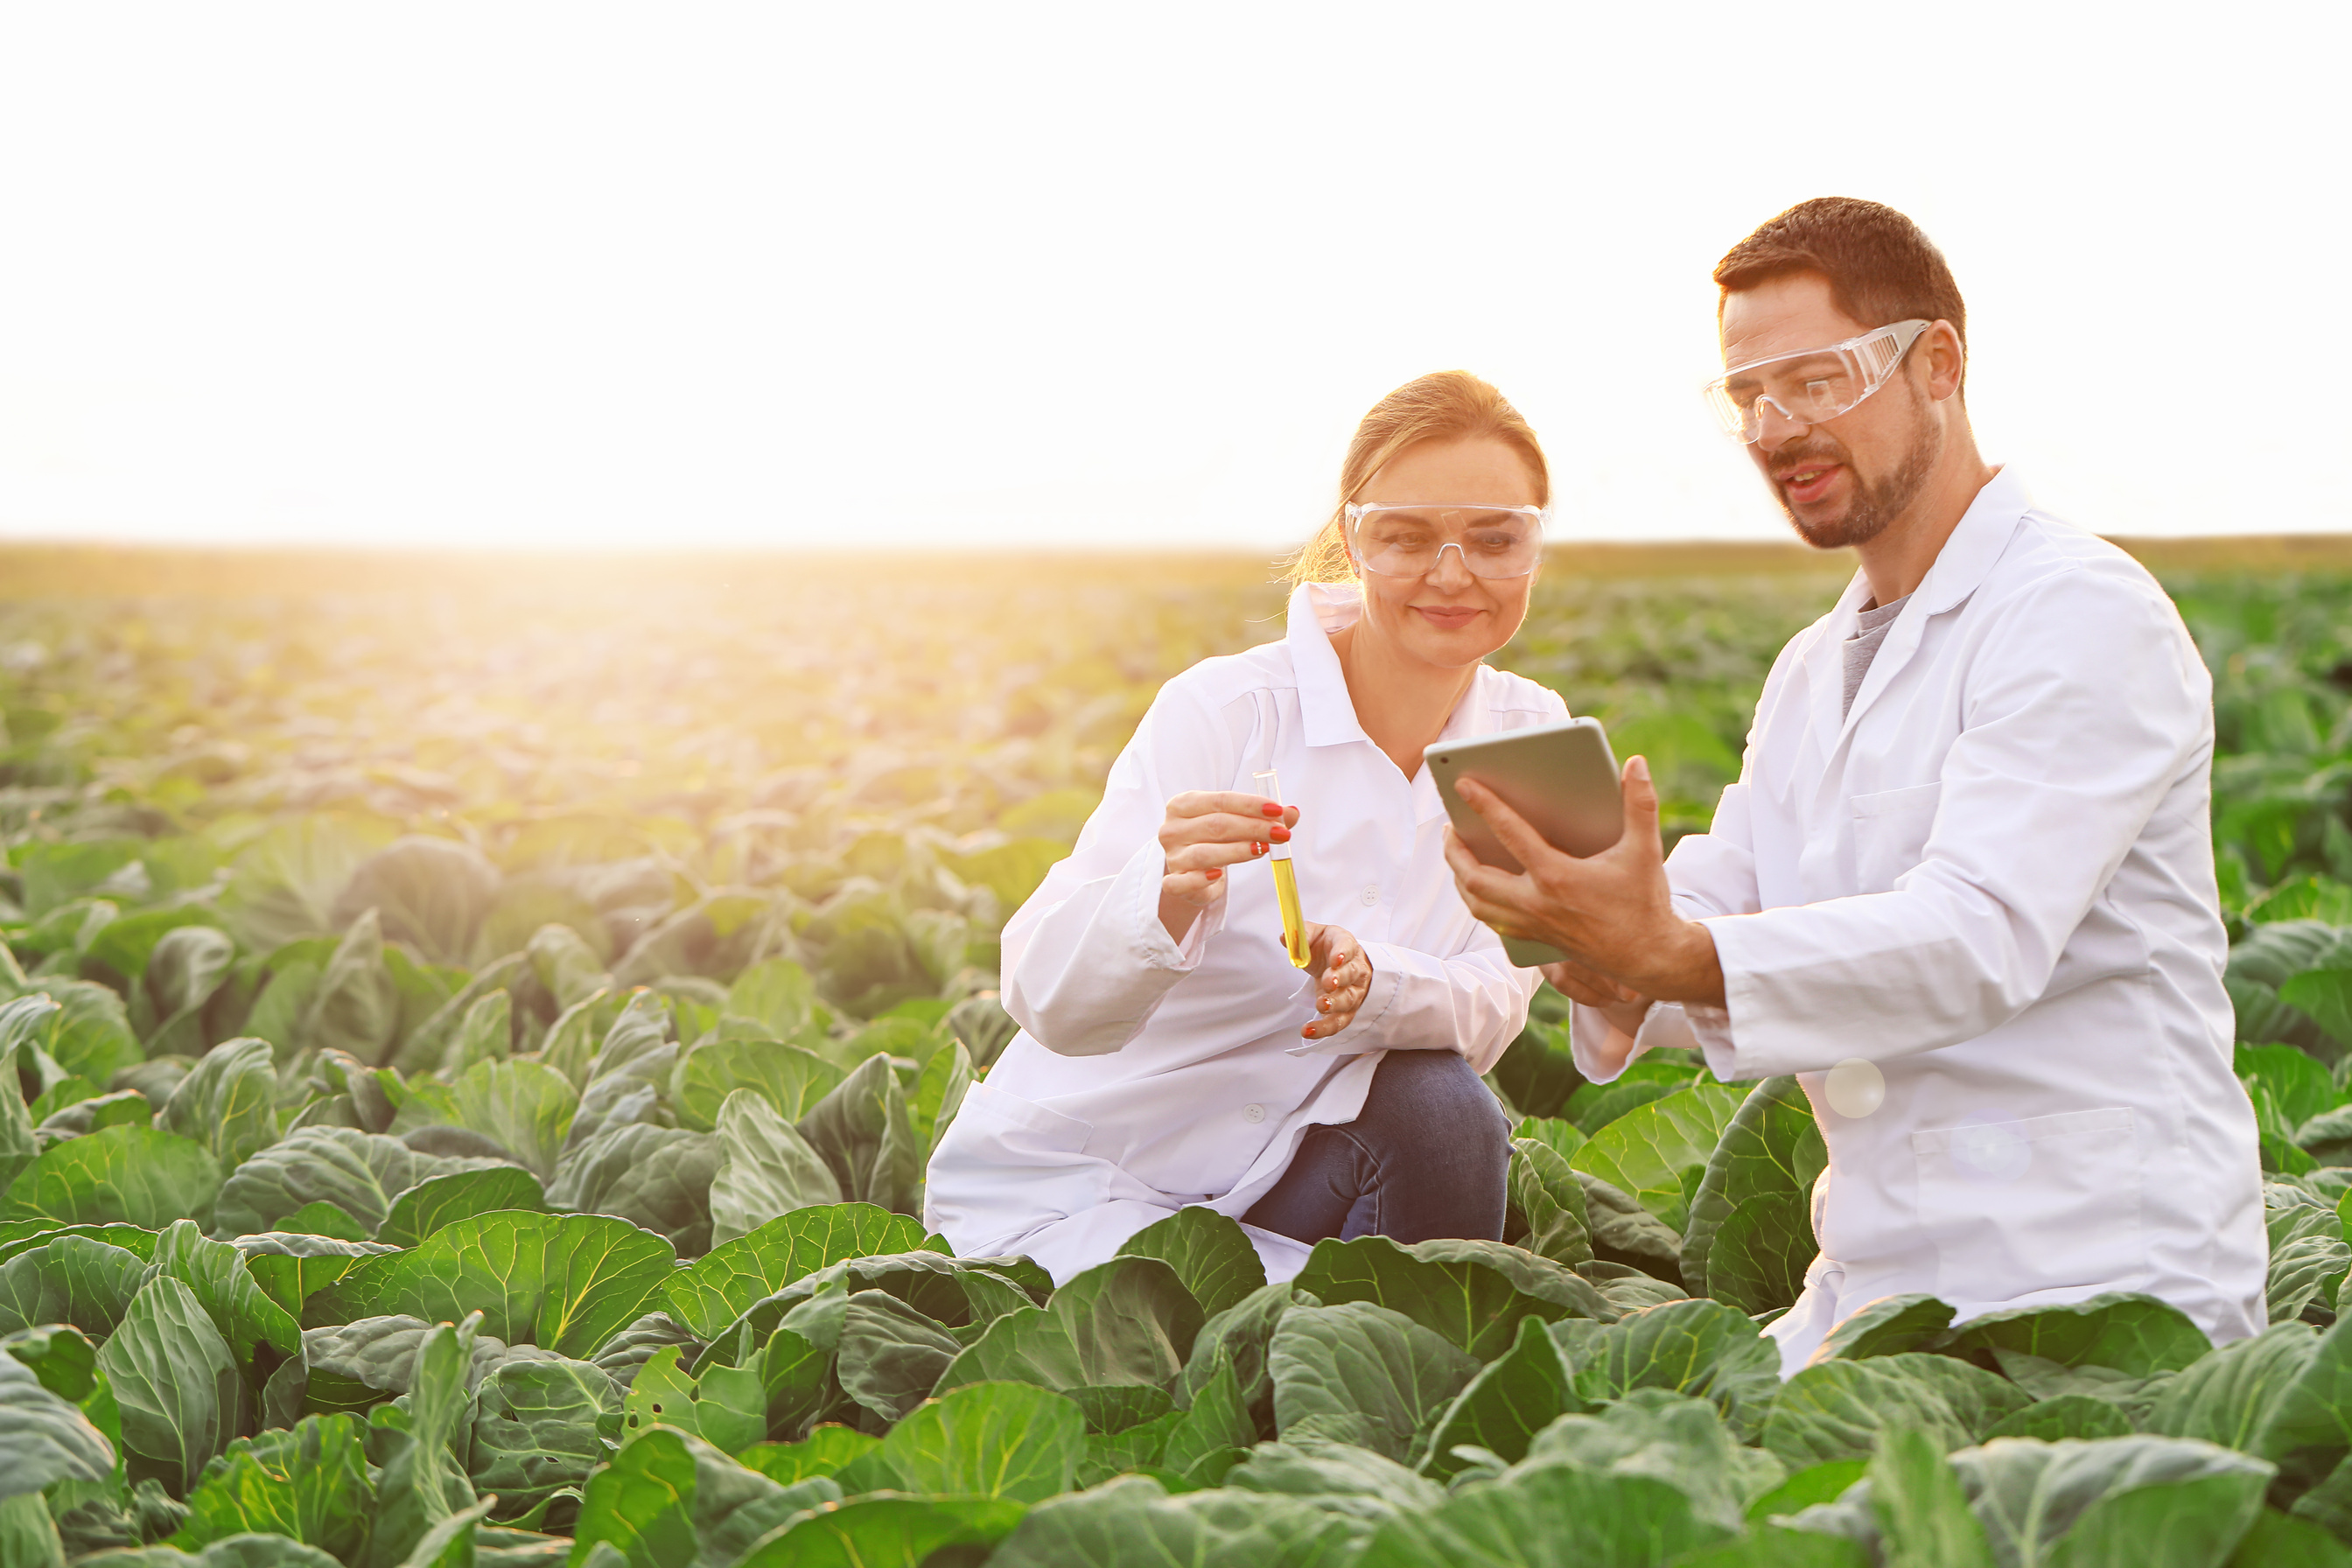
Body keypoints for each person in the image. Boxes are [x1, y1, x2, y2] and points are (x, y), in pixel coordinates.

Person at [1444, 198, 2264, 1371]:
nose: (1778, 426)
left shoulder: (2080, 615)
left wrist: (1672, 955)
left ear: (1938, 363)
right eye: (1748, 396)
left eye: (1817, 380)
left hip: (2093, 1287)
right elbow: (1721, 911)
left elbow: (1978, 936)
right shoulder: (1812, 667)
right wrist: (1599, 944)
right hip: (1878, 1281)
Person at [926, 371, 1569, 1283]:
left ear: (1533, 551)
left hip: (1293, 1167)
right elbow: (1045, 997)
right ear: (1351, 540)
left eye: (1496, 539)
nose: (1453, 573)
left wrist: (1377, 984)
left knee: (1445, 1107)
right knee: (1168, 1343)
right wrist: (1161, 893)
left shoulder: (1533, 733)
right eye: (1407, 537)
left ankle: (1372, 1383)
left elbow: (1500, 996)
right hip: (1097, 1174)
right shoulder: (1226, 711)